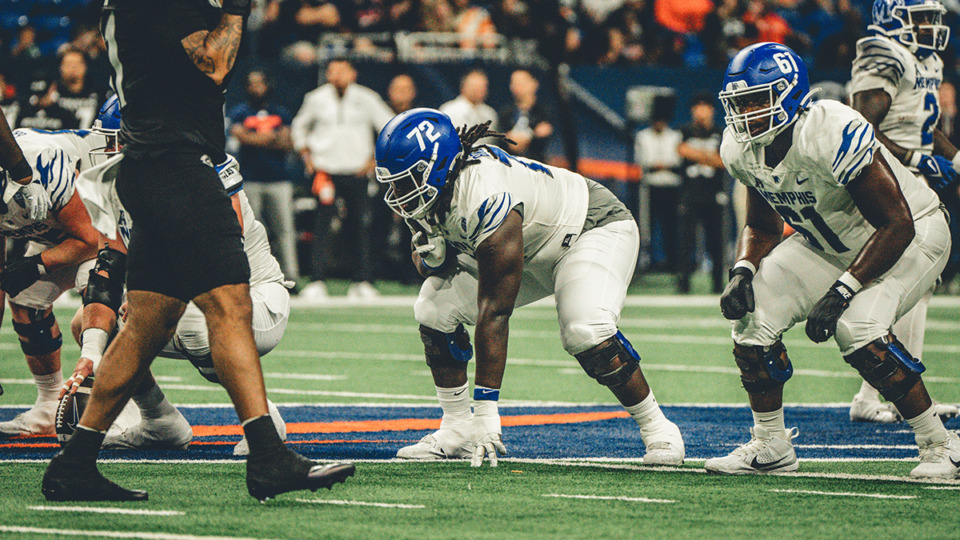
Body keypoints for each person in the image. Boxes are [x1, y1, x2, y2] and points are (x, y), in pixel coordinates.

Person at [41, 0, 354, 502]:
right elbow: (215, 62)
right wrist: (235, 9)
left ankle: (74, 462)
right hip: (179, 164)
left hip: (151, 164)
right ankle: (268, 455)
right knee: (229, 306)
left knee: (145, 325)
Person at [375, 109, 685, 467]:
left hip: (587, 228)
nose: (399, 192)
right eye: (395, 182)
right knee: (432, 309)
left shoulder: (484, 193)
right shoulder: (432, 187)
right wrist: (432, 257)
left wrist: (488, 412)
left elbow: (495, 310)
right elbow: (426, 259)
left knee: (585, 329)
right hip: (528, 247)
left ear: (439, 165)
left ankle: (658, 428)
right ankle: (457, 429)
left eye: (408, 179)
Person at [709, 42, 959, 478]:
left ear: (790, 93)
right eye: (739, 102)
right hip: (830, 241)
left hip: (913, 232)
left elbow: (895, 222)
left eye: (756, 99)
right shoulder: (740, 146)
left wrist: (843, 291)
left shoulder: (829, 129)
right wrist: (742, 271)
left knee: (858, 327)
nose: (745, 112)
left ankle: (941, 445)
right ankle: (771, 445)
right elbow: (763, 226)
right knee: (753, 317)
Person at [62, 99, 291, 456]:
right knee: (88, 324)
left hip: (251, 299)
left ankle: (265, 419)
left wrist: (151, 298)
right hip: (184, 299)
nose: (111, 151)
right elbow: (108, 266)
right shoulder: (106, 183)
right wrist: (91, 353)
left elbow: (221, 251)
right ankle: (159, 421)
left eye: (120, 142)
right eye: (108, 141)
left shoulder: (196, 166)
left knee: (189, 320)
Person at [846, 0, 960, 422]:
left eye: (934, 18)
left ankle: (885, 393)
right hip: (884, 180)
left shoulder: (925, 59)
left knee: (919, 284)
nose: (931, 26)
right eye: (922, 18)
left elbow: (923, 124)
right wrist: (914, 158)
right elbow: (860, 129)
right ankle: (886, 393)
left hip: (912, 178)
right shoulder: (882, 52)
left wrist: (955, 160)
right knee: (900, 282)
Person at [0, 127, 102, 437]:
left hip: (104, 229)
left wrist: (36, 264)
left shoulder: (42, 164)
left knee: (97, 288)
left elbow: (92, 240)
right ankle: (48, 403)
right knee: (26, 298)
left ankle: (134, 408)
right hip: (59, 235)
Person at [291, 58, 394, 301]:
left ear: (352, 73)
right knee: (322, 226)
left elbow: (389, 126)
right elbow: (299, 127)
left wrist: (375, 159)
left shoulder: (367, 98)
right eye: (332, 70)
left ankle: (362, 281)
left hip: (357, 170)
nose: (337, 75)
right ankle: (317, 281)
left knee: (359, 226)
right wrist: (306, 155)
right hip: (325, 171)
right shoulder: (315, 98)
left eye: (342, 70)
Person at [228, 70, 299, 285]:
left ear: (268, 85)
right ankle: (253, 277)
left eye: (260, 83)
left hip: (278, 180)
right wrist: (270, 138)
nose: (256, 87)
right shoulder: (239, 111)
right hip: (249, 180)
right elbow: (239, 135)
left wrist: (254, 138)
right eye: (252, 83)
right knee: (250, 231)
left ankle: (291, 276)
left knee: (284, 231)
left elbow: (288, 143)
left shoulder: (281, 112)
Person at [676, 92, 726, 294]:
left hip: (714, 194)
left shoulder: (720, 132)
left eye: (706, 106)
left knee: (717, 242)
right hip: (690, 193)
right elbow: (681, 150)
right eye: (698, 105)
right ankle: (683, 283)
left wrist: (697, 155)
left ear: (712, 110)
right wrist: (709, 157)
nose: (702, 110)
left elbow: (724, 161)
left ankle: (717, 284)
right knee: (685, 241)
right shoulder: (684, 130)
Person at [634, 97, 682, 272]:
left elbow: (677, 161)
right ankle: (646, 262)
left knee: (671, 226)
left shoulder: (675, 136)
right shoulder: (642, 136)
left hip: (671, 186)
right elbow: (642, 162)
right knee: (647, 226)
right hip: (650, 187)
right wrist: (661, 165)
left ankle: (673, 263)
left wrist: (660, 165)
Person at [498, 69, 553, 163]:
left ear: (534, 84)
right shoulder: (505, 113)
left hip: (536, 165)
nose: (517, 86)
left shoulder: (544, 113)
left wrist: (526, 139)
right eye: (514, 83)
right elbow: (501, 139)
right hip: (509, 164)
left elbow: (543, 139)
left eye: (522, 82)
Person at [55, 48, 101, 129]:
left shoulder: (99, 93)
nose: (73, 68)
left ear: (85, 66)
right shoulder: (53, 94)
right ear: (60, 67)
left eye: (77, 64)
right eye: (68, 64)